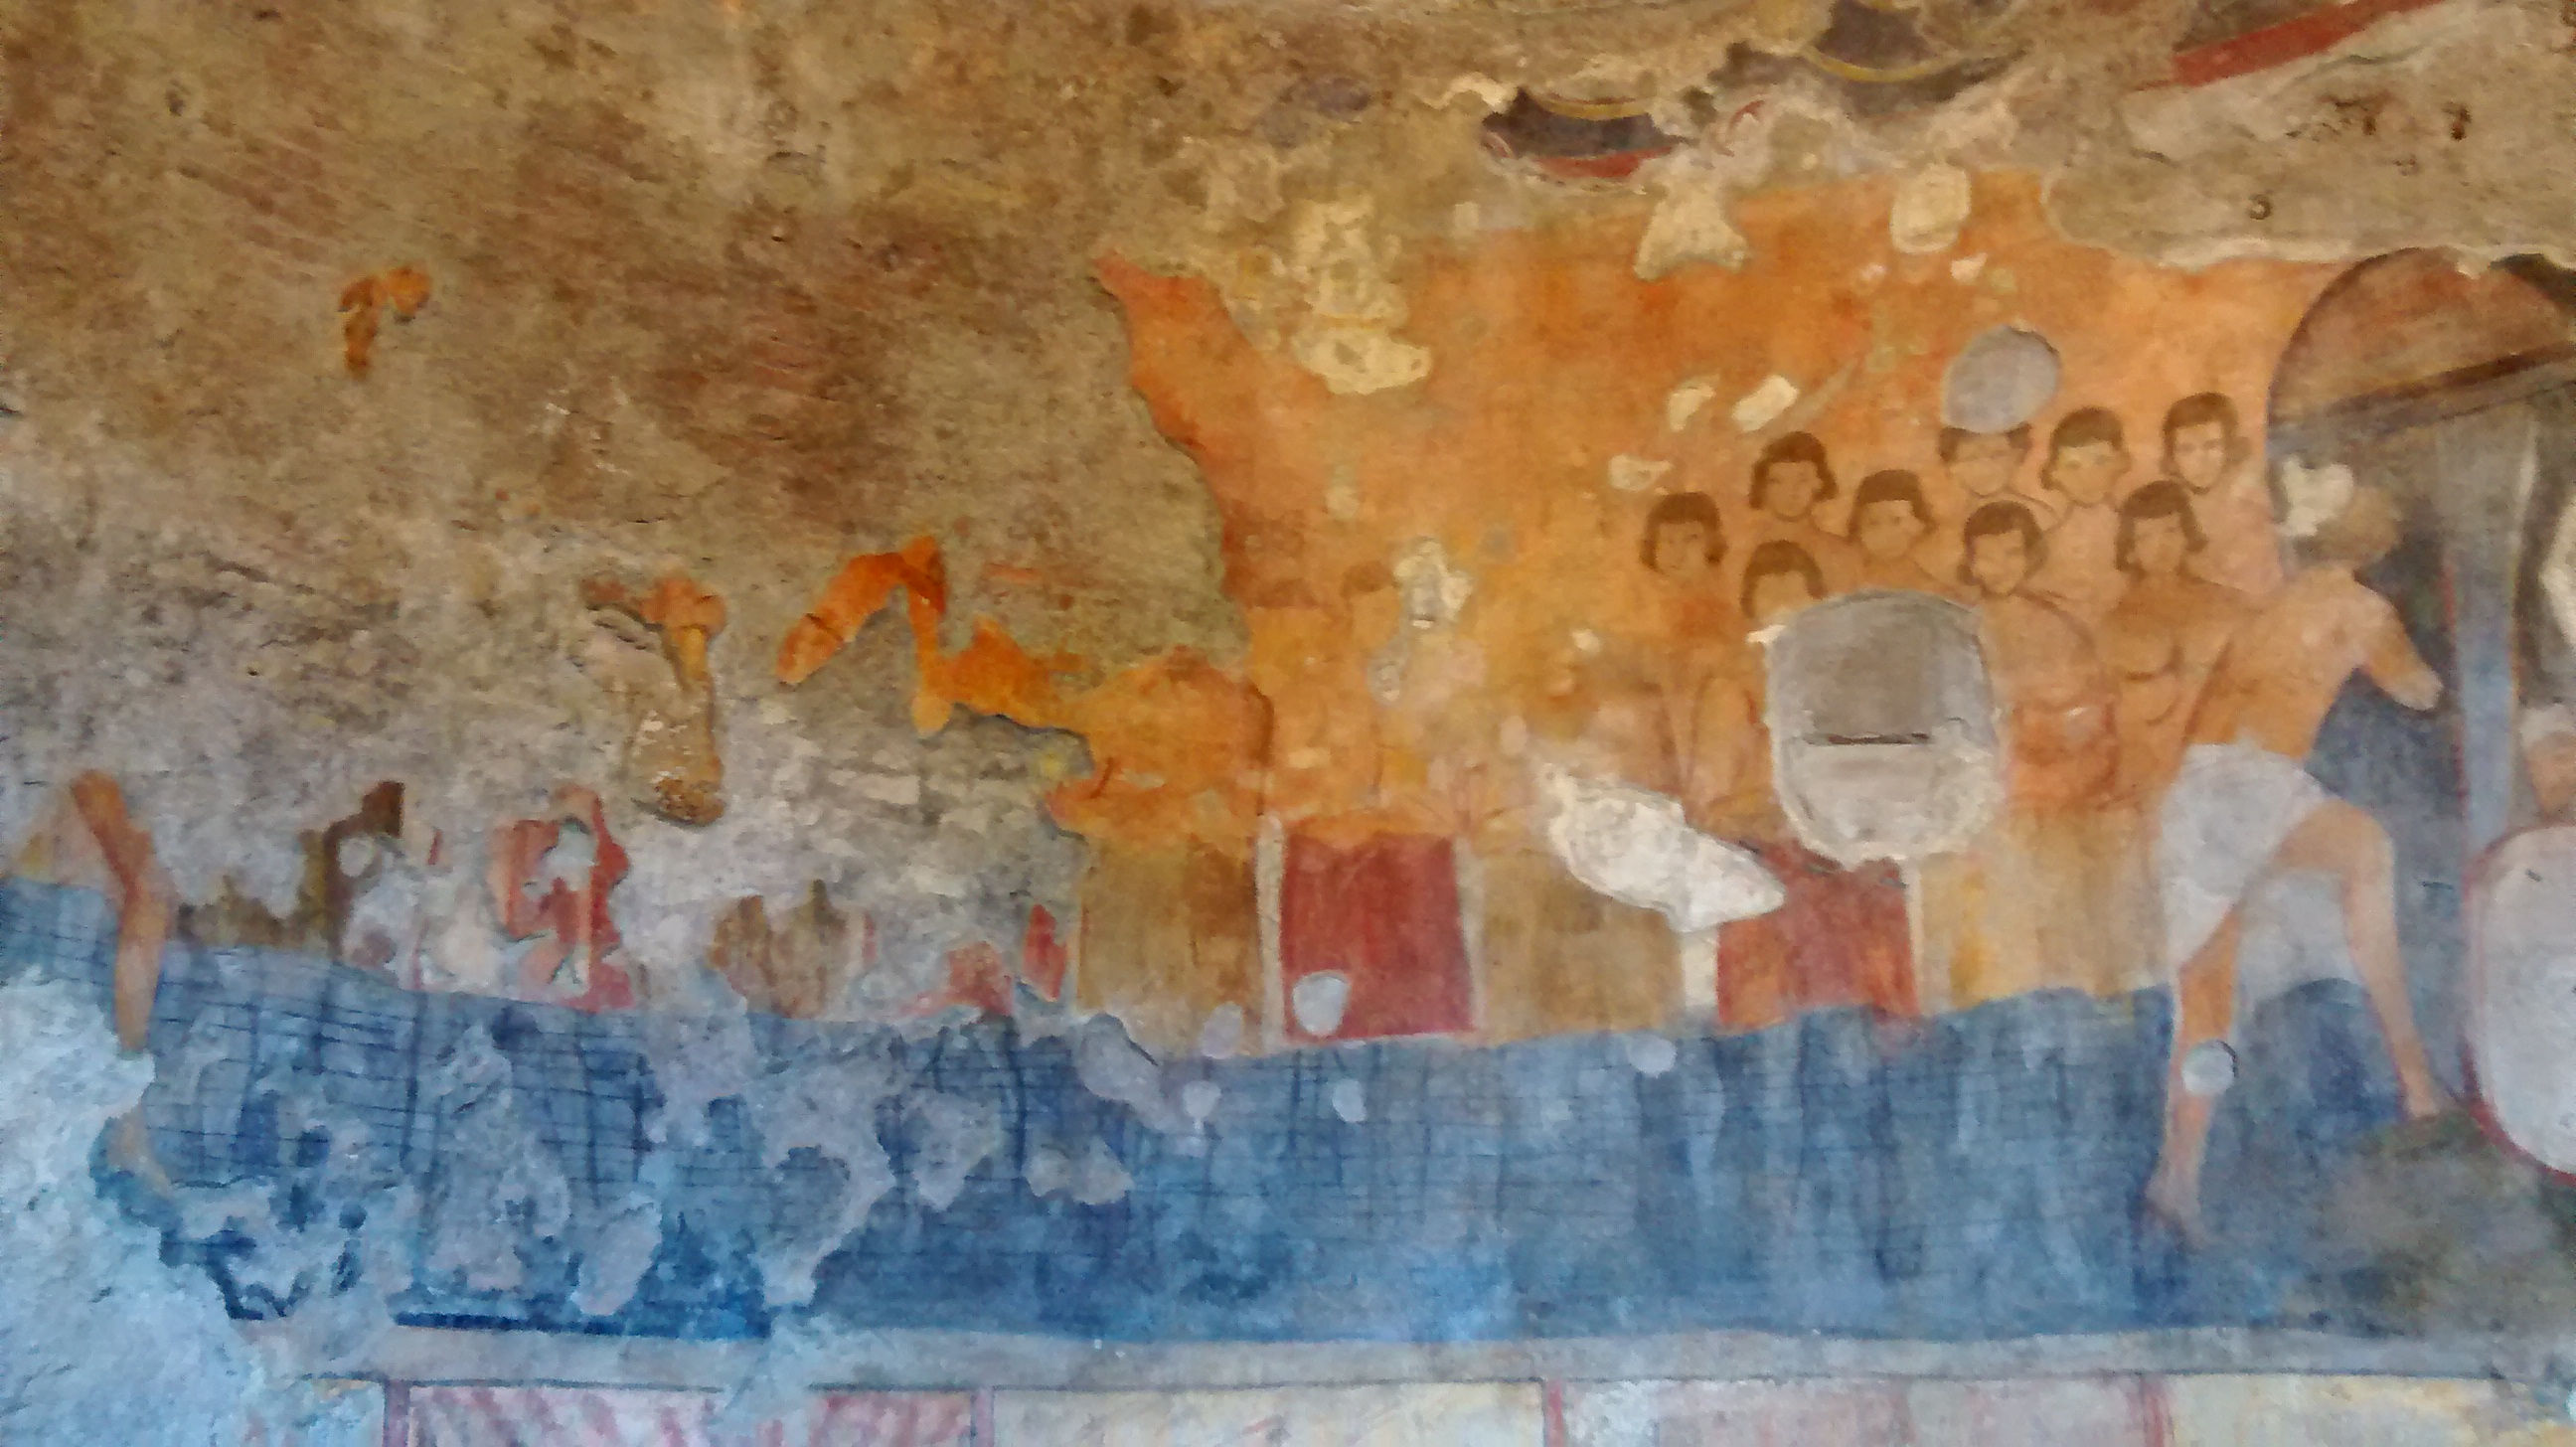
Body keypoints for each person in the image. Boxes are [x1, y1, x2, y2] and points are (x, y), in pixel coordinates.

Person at [2146, 484, 2446, 1237]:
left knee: (2207, 1000)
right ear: (2366, 538)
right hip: (2252, 786)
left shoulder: (2271, 607)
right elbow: (2418, 692)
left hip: (2195, 795)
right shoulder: (2361, 608)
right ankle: (2415, 1081)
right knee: (2368, 852)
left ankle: (2177, 1181)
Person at [1692, 541, 1914, 1033]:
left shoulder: (1853, 681)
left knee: (1872, 1023)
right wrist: (1794, 809)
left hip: (1857, 878)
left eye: (1799, 600)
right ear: (1752, 610)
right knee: (1776, 1028)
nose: (1787, 614)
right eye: (1772, 600)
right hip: (1774, 882)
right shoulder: (1733, 686)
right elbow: (1711, 811)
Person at [2098, 482, 2253, 804]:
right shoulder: (2116, 623)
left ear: (2187, 534)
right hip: (2150, 779)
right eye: (2145, 537)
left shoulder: (2228, 606)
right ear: (2130, 549)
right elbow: (2114, 720)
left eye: (2171, 531)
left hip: (2225, 769)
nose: (2161, 547)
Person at [2160, 393, 2283, 598]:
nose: (2200, 460)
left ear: (2229, 447)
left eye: (2211, 445)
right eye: (2186, 450)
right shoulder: (2172, 507)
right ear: (2172, 457)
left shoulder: (2252, 494)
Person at [2030, 407, 2131, 625]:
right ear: (2054, 473)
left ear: (2121, 462)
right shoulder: (2045, 546)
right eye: (2073, 466)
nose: (2087, 478)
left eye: (2100, 461)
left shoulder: (2137, 536)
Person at [1923, 423, 2055, 582]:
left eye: (1997, 455)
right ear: (1951, 467)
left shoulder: (2044, 518)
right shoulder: (1946, 533)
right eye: (1971, 458)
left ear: (2018, 456)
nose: (1985, 467)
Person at [1736, 432, 1859, 598]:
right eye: (1777, 481)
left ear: (1820, 483)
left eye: (1802, 480)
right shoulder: (1742, 557)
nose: (1790, 492)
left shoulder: (1841, 555)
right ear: (1763, 487)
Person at [1847, 469, 1958, 596]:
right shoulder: (1847, 590)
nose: (1886, 534)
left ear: (1920, 524)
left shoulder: (1938, 594)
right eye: (1873, 523)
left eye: (1897, 521)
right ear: (1858, 529)